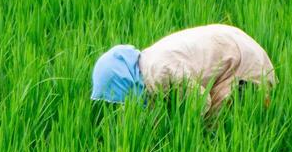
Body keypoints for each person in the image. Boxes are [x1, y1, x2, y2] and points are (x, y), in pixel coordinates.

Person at [91, 24, 277, 117]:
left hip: (245, 65)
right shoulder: (147, 67)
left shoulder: (159, 74)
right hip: (233, 46)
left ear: (122, 82)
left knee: (213, 130)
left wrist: (176, 132)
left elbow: (200, 102)